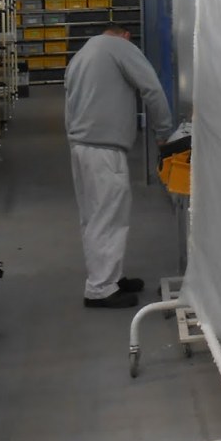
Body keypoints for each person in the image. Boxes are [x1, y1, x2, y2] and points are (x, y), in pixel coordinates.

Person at [64, 23, 174, 309]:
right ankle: (100, 289)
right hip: (104, 148)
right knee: (109, 217)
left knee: (94, 216)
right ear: (125, 35)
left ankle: (110, 278)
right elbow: (152, 88)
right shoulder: (120, 47)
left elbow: (69, 104)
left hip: (81, 146)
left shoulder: (82, 54)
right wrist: (164, 132)